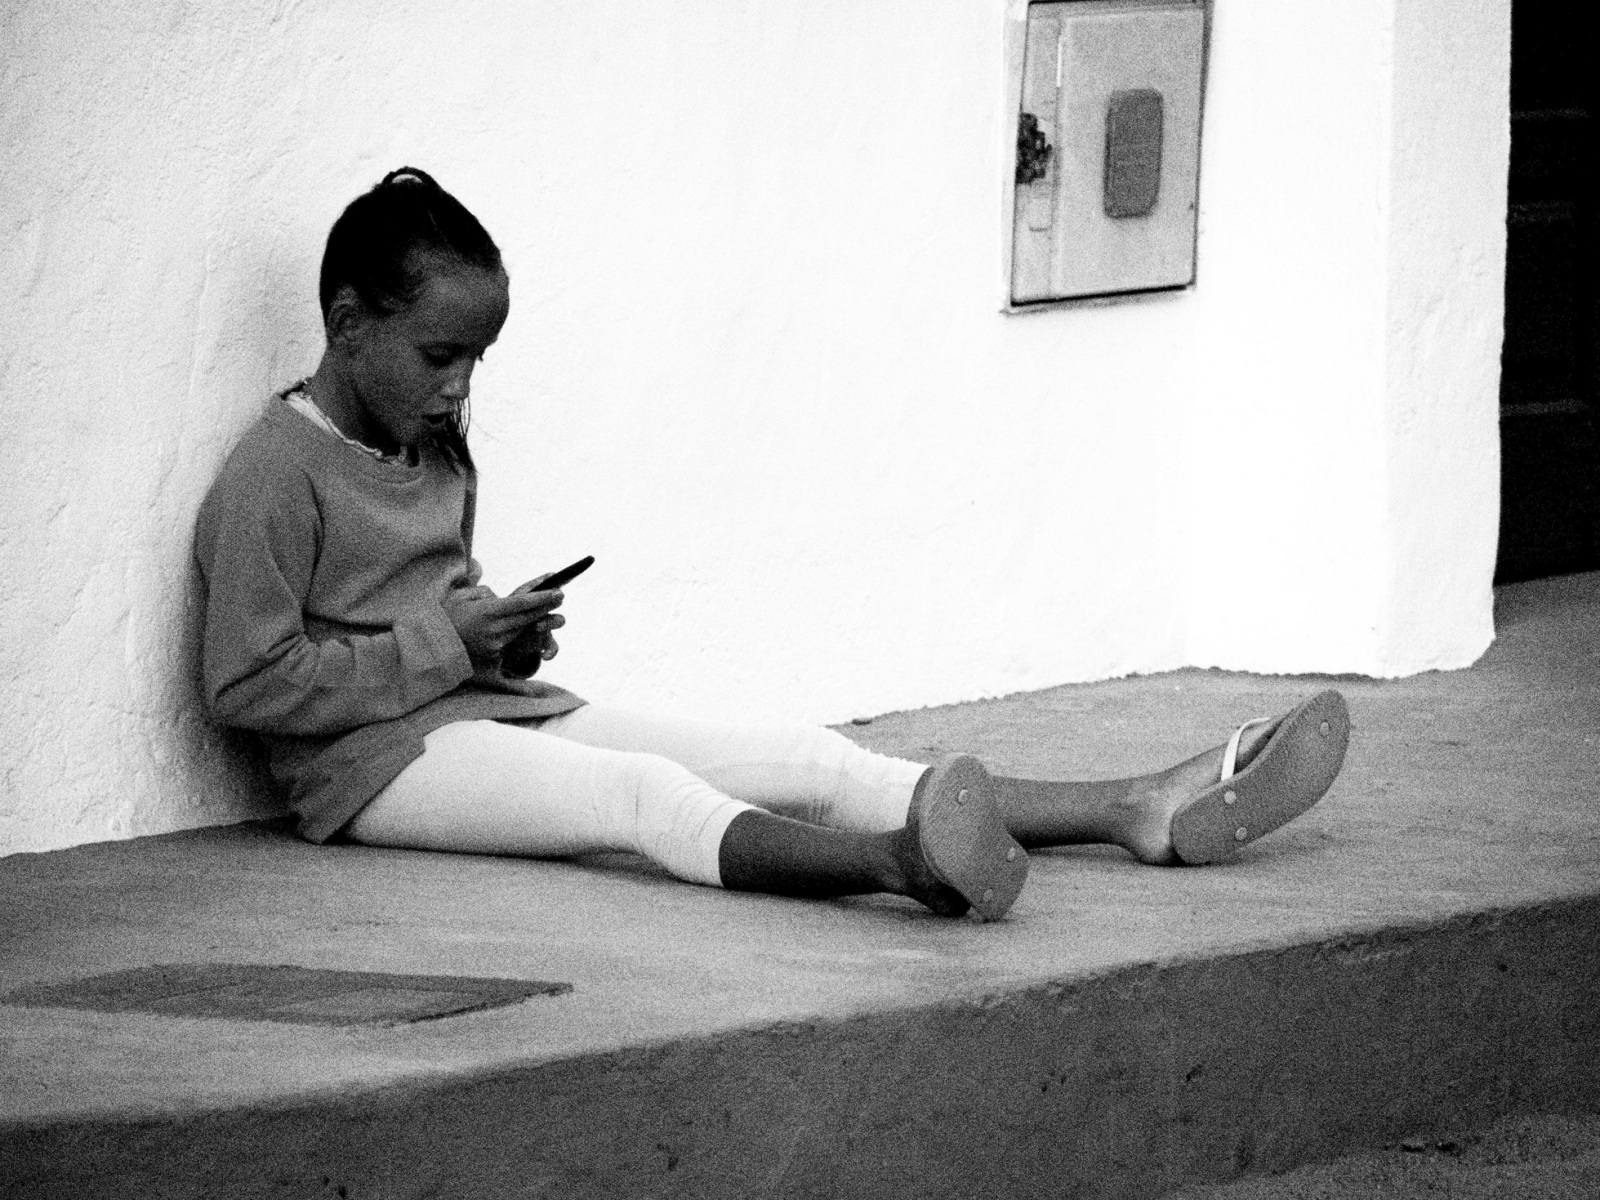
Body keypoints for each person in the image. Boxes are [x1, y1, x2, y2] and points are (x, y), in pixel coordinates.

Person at [194, 168, 1350, 923]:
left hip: (483, 712)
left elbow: (434, 618)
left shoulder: (431, 447)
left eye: (476, 362)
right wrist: (445, 645)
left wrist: (502, 641)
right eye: (440, 357)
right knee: (642, 795)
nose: (459, 389)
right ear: (348, 323)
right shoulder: (275, 473)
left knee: (804, 758)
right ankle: (903, 866)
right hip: (366, 772)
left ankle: (1133, 805)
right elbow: (246, 685)